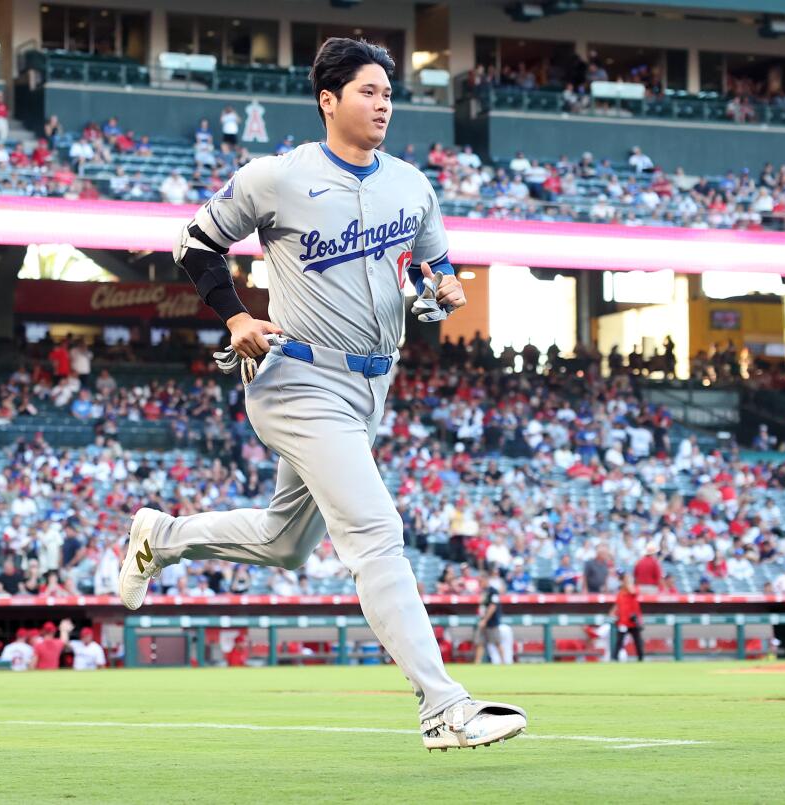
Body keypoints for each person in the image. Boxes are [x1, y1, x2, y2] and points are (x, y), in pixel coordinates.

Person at [118, 37, 526, 752]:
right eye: (368, 91)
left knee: (285, 541)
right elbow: (194, 243)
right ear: (328, 100)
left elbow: (433, 262)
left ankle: (164, 534)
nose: (383, 104)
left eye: (388, 93)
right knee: (375, 533)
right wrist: (237, 314)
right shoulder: (277, 177)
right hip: (297, 378)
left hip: (372, 382)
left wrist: (447, 285)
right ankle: (443, 706)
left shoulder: (410, 183)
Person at [609, 571, 643, 661]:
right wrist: (612, 613)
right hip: (623, 621)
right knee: (619, 642)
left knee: (638, 641)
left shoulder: (633, 590)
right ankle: (614, 659)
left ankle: (641, 659)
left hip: (633, 621)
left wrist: (627, 580)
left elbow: (632, 591)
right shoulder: (620, 593)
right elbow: (617, 605)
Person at [472, 573, 503, 664]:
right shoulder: (483, 592)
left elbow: (493, 606)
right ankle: (477, 662)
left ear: (486, 580)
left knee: (497, 642)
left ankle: (504, 661)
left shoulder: (493, 591)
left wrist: (485, 620)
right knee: (480, 643)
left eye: (481, 581)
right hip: (482, 621)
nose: (480, 583)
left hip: (491, 622)